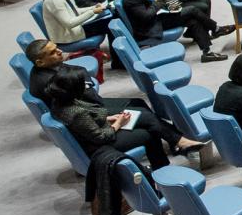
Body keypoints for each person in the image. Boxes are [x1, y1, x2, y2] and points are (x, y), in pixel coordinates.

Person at [44, 64, 201, 170]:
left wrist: (109, 118)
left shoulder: (61, 100)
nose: (86, 86)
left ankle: (175, 147)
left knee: (145, 117)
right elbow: (100, 137)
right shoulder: (74, 110)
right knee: (148, 133)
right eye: (82, 84)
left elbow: (87, 120)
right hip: (99, 146)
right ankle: (166, 163)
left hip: (98, 129)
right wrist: (118, 123)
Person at [123, 0, 229, 62]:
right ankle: (216, 29)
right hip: (149, 28)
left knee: (193, 21)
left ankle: (207, 53)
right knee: (192, 10)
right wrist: (159, 3)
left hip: (154, 19)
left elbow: (150, 3)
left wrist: (164, 5)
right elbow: (146, 16)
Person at [40, 0, 109, 71]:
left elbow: (75, 11)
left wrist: (93, 8)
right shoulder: (54, 1)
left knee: (110, 17)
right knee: (109, 23)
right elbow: (69, 23)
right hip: (66, 38)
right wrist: (92, 12)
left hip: (76, 29)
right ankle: (118, 60)